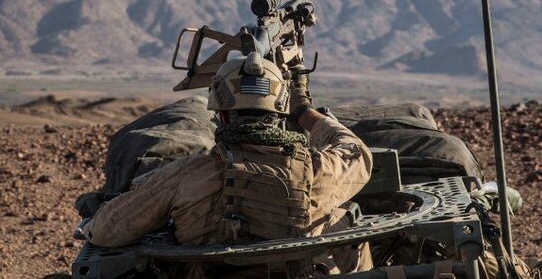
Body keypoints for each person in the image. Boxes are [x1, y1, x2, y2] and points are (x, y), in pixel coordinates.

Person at [81, 53, 374, 275]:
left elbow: (105, 232)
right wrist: (304, 111)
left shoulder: (187, 174)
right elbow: (356, 152)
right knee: (342, 218)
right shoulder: (318, 171)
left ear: (220, 115)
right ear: (280, 114)